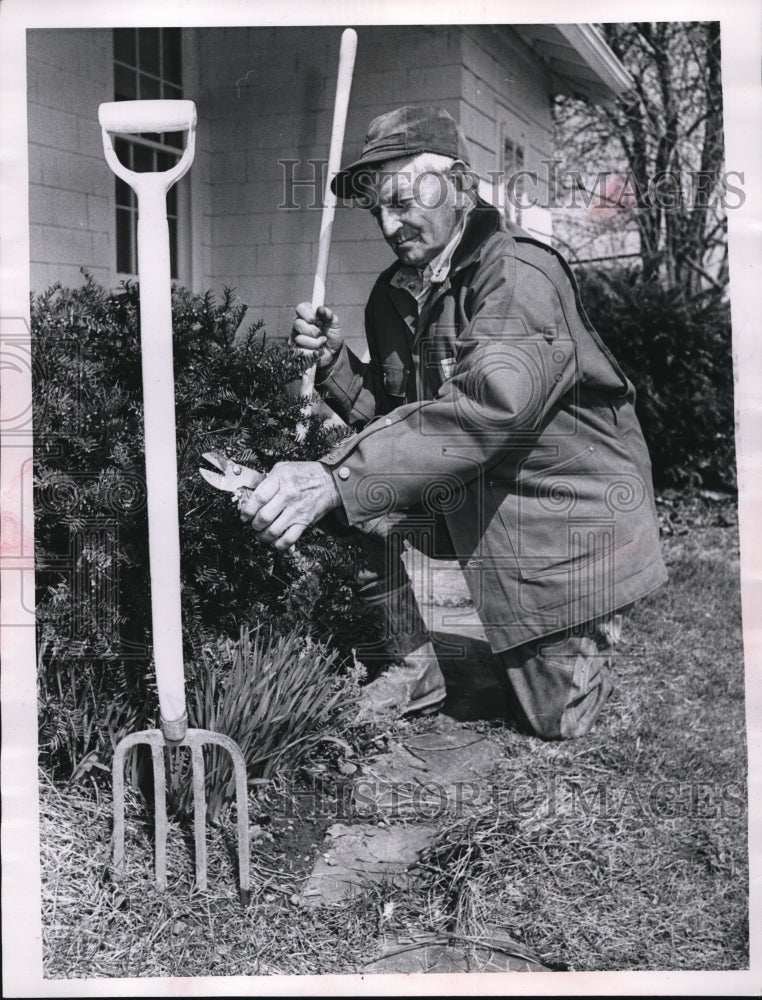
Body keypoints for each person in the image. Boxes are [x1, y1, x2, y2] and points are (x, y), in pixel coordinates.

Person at [238, 105, 667, 739]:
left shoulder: (518, 277)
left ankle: (591, 617)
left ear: (460, 186)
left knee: (555, 721)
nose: (389, 224)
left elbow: (482, 413)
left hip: (560, 517)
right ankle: (414, 667)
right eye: (378, 209)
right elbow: (405, 423)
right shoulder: (393, 294)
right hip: (476, 495)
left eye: (404, 202)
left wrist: (333, 476)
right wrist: (335, 365)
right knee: (354, 496)